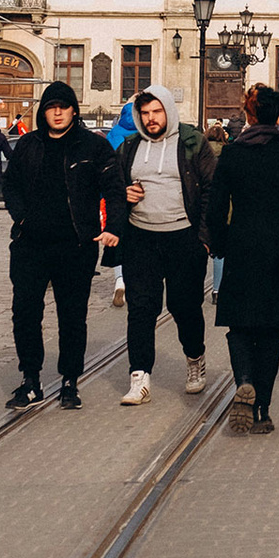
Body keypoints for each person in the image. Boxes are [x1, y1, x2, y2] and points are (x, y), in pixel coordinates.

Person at [2, 82, 125, 411]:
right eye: (51, 107)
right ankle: (31, 379)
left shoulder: (93, 147)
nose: (57, 112)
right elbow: (10, 185)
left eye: (63, 106)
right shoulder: (28, 145)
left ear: (74, 110)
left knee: (73, 316)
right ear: (43, 112)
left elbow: (113, 187)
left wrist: (113, 226)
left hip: (76, 245)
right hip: (31, 245)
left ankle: (70, 380)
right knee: (25, 313)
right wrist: (22, 218)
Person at [208, 85, 279, 432]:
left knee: (240, 326)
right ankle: (262, 410)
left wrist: (221, 244)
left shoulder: (231, 155)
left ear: (250, 115)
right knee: (271, 333)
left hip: (242, 250)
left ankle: (244, 379)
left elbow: (215, 210)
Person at [115, 86, 216, 405]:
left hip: (183, 238)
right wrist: (124, 195)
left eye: (156, 112)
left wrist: (204, 240)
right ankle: (139, 376)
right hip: (140, 238)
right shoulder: (129, 146)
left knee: (183, 307)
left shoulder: (192, 142)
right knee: (141, 308)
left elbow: (212, 190)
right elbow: (113, 187)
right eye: (144, 113)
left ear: (168, 111)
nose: (150, 118)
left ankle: (195, 357)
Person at [105, 101, 140, 307]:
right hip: (138, 192)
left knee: (117, 236)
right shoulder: (142, 134)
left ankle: (119, 280)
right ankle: (134, 278)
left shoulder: (114, 133)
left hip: (116, 192)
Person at [205, 123, 228, 304]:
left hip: (203, 207)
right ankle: (217, 290)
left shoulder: (201, 154)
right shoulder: (228, 154)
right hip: (224, 209)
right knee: (220, 252)